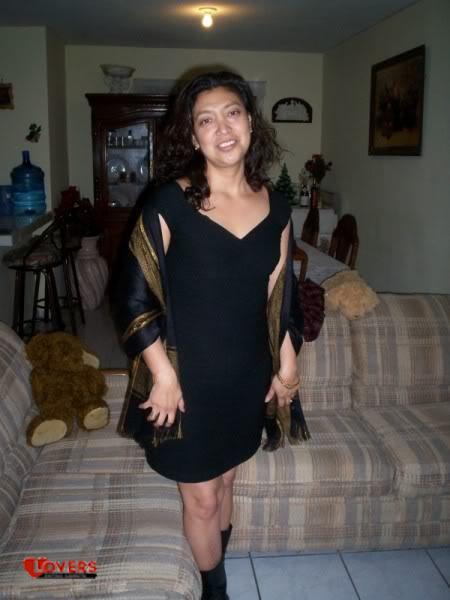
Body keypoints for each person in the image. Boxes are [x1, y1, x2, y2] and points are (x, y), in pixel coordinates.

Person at [113, 71, 305, 600]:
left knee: (226, 480)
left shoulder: (277, 208)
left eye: (233, 113)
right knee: (199, 497)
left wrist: (287, 365)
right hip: (185, 379)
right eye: (206, 120)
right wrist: (162, 376)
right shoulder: (168, 203)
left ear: (250, 124)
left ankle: (217, 560)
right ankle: (214, 591)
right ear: (193, 136)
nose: (222, 128)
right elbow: (132, 297)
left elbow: (280, 294)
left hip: (246, 376)